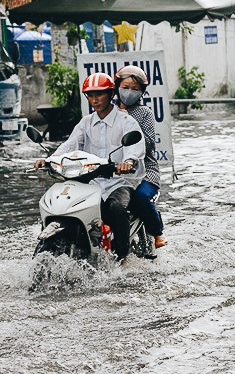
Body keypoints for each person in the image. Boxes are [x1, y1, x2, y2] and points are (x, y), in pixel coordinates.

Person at [34, 72, 144, 261]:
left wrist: (129, 162)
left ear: (111, 94)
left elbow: (134, 147)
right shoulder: (86, 123)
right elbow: (70, 145)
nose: (94, 99)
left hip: (119, 180)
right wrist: (50, 159)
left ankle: (123, 256)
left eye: (99, 94)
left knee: (116, 208)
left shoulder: (126, 121)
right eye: (90, 95)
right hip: (90, 179)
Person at [114, 65, 168, 248]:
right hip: (115, 170)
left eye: (135, 89)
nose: (129, 92)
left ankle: (157, 232)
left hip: (144, 171)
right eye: (125, 87)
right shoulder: (108, 111)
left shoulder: (144, 113)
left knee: (139, 198)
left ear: (142, 92)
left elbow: (150, 144)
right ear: (117, 87)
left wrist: (129, 120)